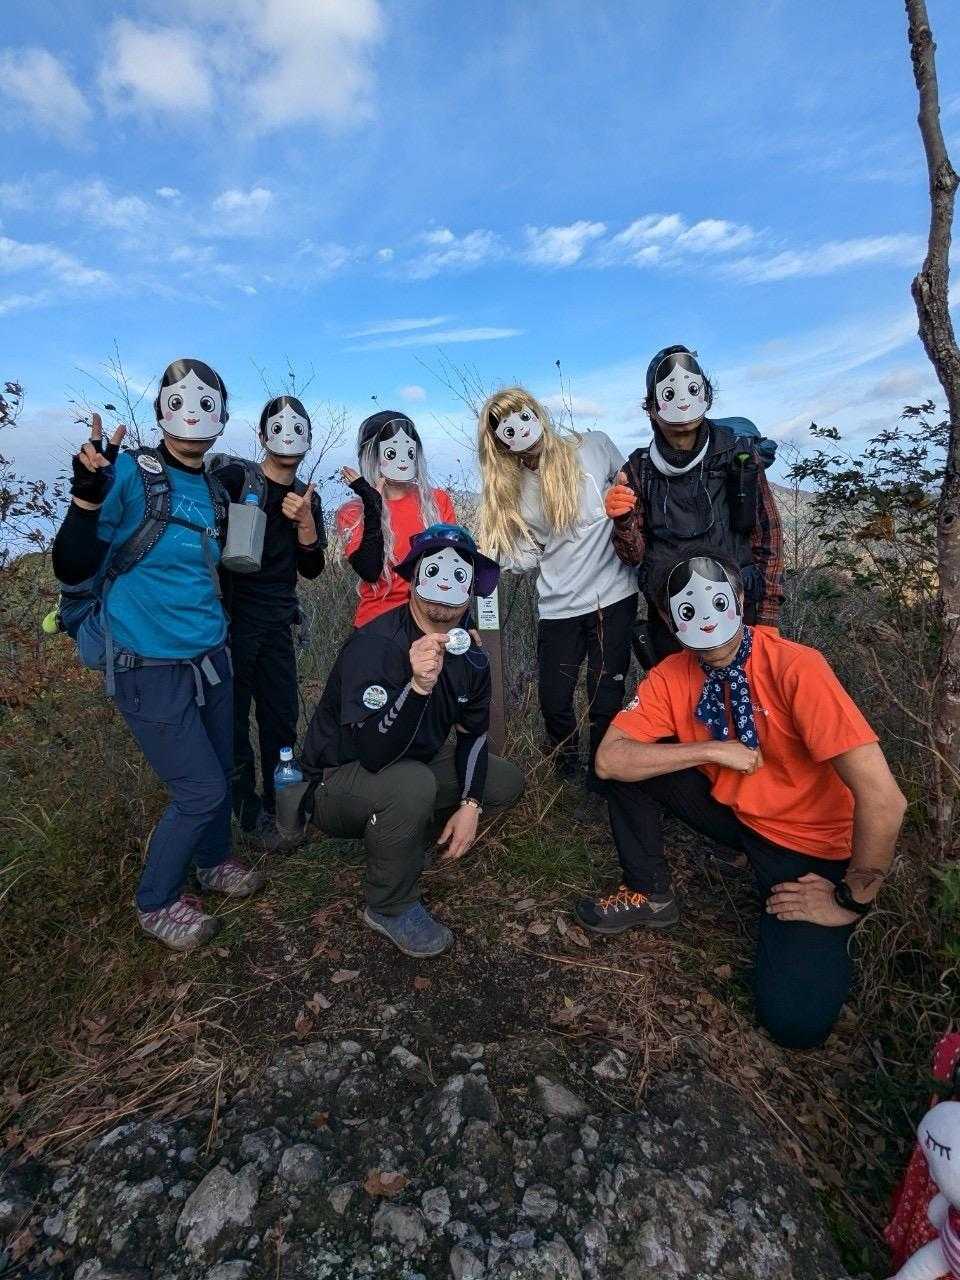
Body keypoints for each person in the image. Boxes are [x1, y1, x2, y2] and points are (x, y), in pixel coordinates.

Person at [575, 550, 906, 1050]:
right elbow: (609, 759)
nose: (705, 618)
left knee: (795, 1024)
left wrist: (851, 898)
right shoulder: (672, 674)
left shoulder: (797, 667)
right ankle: (650, 893)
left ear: (739, 598)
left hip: (809, 845)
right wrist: (711, 750)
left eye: (716, 600)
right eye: (686, 608)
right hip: (736, 814)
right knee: (630, 768)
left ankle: (818, 931)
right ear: (669, 618)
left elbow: (884, 799)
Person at [51, 358, 264, 952]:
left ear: (222, 417)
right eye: (179, 401)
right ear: (160, 412)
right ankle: (156, 902)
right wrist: (85, 500)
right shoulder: (127, 473)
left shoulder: (215, 491)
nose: (192, 413)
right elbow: (71, 564)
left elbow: (222, 570)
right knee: (199, 790)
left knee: (221, 771)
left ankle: (213, 862)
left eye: (206, 403)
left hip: (210, 655)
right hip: (146, 666)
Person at [296, 524, 524, 957]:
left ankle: (406, 838)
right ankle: (389, 904)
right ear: (414, 577)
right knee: (411, 785)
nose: (445, 586)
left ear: (472, 588)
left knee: (502, 780)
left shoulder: (471, 656)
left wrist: (471, 805)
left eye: (459, 575)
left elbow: (473, 736)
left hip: (411, 761)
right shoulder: (376, 645)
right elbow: (374, 753)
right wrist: (417, 687)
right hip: (337, 778)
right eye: (433, 570)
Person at [476, 388, 637, 799]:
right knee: (554, 698)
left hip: (614, 595)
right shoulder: (512, 489)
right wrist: (492, 556)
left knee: (605, 696)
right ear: (498, 442)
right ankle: (564, 772)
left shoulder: (594, 445)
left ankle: (602, 781)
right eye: (505, 427)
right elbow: (527, 553)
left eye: (523, 415)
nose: (518, 428)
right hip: (558, 605)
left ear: (537, 413)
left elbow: (633, 490)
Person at [604, 345, 783, 664]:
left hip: (738, 610)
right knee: (680, 695)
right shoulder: (639, 468)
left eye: (691, 389)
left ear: (705, 394)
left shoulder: (738, 454)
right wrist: (623, 521)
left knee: (741, 692)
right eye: (669, 393)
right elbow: (632, 556)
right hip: (672, 618)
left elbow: (768, 534)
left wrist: (768, 618)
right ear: (651, 407)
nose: (683, 402)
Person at [211, 396, 326, 844]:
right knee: (234, 720)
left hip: (279, 622)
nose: (288, 437)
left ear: (309, 439)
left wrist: (305, 524)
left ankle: (282, 808)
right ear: (262, 436)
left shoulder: (307, 498)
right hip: (233, 622)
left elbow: (312, 568)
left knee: (281, 720)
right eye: (278, 428)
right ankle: (246, 816)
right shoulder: (236, 480)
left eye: (298, 430)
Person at [335, 410, 456, 627]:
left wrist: (465, 621)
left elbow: (454, 566)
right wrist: (373, 506)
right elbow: (370, 571)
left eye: (409, 451)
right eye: (391, 452)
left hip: (431, 622)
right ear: (373, 455)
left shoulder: (437, 502)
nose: (402, 459)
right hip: (377, 624)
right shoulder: (352, 513)